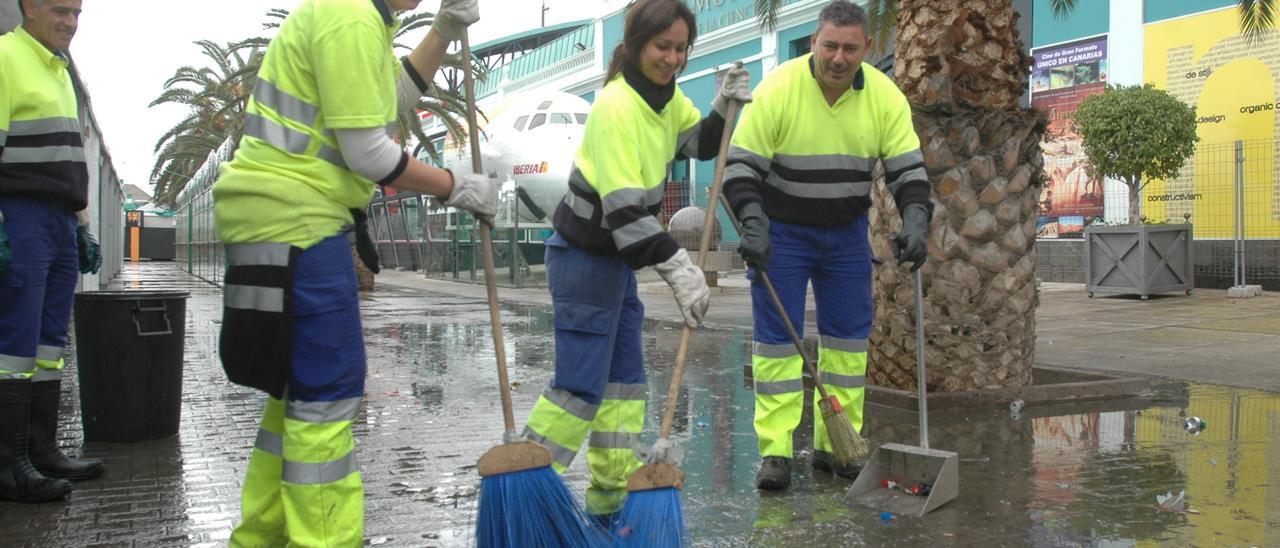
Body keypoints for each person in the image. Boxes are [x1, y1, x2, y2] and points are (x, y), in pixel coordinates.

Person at [210, 0, 493, 544]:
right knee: (325, 393)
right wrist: (454, 186)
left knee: (290, 391)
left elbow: (392, 101)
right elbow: (368, 152)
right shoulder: (350, 17)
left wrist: (442, 30)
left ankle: (260, 538)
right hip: (300, 220)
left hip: (271, 216)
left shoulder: (348, 14)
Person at [519, 0, 751, 524]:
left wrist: (722, 107)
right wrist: (681, 269)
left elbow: (696, 142)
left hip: (614, 265)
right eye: (661, 47)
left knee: (624, 386)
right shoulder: (616, 107)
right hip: (583, 259)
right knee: (579, 387)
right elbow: (626, 215)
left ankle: (608, 497)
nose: (672, 58)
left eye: (680, 48)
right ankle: (527, 486)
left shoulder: (665, 101)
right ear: (637, 44)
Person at [722, 0, 932, 491]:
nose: (839, 58)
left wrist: (917, 221)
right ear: (815, 42)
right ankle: (776, 451)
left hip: (845, 234)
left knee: (847, 342)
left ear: (867, 48)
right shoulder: (778, 89)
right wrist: (753, 225)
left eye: (850, 49)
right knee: (777, 344)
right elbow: (740, 170)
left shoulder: (883, 96)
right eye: (830, 46)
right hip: (783, 234)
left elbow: (908, 172)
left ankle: (838, 444)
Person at [0, 0, 105, 504]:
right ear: (29, 7)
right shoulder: (5, 57)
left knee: (47, 342)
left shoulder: (58, 70)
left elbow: (68, 160)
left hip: (60, 220)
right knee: (14, 343)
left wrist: (82, 226)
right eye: (61, 10)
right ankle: (8, 464)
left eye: (78, 13)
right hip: (20, 215)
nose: (70, 22)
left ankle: (41, 450)